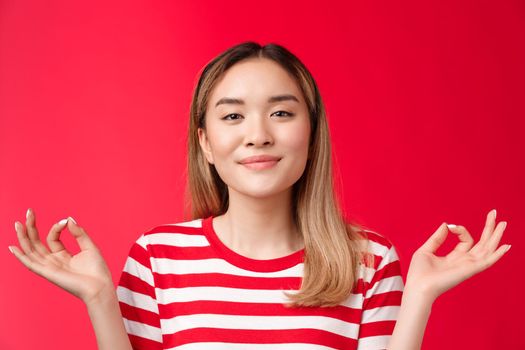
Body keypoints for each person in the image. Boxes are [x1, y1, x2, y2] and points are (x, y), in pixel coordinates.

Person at [9, 41, 511, 350]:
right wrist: (99, 299)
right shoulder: (157, 258)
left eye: (282, 112)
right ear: (205, 142)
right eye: (232, 116)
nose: (257, 135)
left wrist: (420, 297)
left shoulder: (371, 261)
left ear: (312, 136)